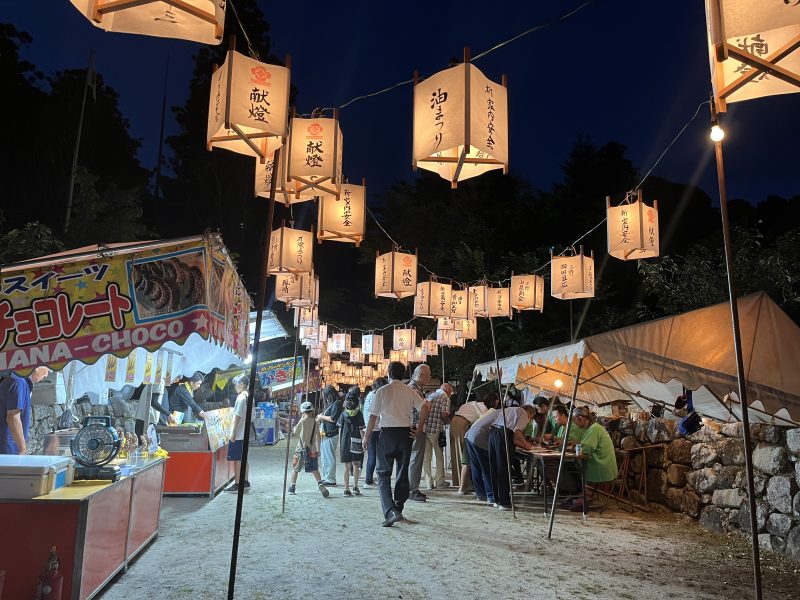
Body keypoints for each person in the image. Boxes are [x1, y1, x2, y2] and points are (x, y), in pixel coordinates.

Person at [363, 361, 424, 527]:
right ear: (403, 375)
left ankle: (390, 511)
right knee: (402, 472)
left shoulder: (382, 391)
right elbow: (425, 407)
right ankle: (398, 507)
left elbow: (373, 417)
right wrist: (419, 428)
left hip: (387, 434)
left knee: (383, 474)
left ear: (389, 373)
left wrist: (366, 437)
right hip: (405, 434)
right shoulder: (410, 391)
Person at [488, 405, 536, 510]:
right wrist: (525, 444)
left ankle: (497, 500)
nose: (529, 419)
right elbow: (517, 431)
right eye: (530, 417)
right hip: (503, 435)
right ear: (529, 412)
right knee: (504, 469)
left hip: (493, 433)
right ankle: (504, 503)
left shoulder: (510, 409)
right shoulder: (523, 412)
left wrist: (524, 444)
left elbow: (513, 437)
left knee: (495, 468)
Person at [570, 406, 618, 510]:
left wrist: (572, 448)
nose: (574, 423)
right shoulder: (593, 428)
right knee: (574, 465)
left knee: (572, 467)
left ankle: (580, 495)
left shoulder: (594, 429)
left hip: (602, 466)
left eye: (575, 420)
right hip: (604, 463)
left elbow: (586, 449)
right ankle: (580, 495)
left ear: (581, 418)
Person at [0, 367, 50, 455]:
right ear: (37, 367)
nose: (47, 374)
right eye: (47, 369)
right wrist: (22, 449)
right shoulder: (18, 382)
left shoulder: (21, 382)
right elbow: (12, 418)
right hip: (8, 447)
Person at [450, 392, 493, 494]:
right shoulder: (484, 408)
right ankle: (466, 485)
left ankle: (460, 484)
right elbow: (484, 422)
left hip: (454, 421)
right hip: (463, 423)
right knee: (465, 457)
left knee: (457, 453)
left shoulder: (471, 404)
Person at [288, 401, 329, 498]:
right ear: (312, 411)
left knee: (296, 469)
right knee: (315, 469)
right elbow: (318, 436)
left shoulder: (302, 421)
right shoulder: (315, 423)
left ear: (302, 412)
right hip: (312, 450)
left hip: (301, 449)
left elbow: (295, 432)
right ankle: (320, 484)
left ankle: (292, 487)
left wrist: (293, 426)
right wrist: (318, 449)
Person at [464, 403, 500, 505]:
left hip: (469, 436)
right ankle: (491, 496)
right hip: (478, 438)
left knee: (476, 467)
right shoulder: (501, 415)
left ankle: (480, 494)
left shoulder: (491, 412)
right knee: (487, 468)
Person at [407, 364, 432, 502]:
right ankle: (412, 490)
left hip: (414, 427)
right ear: (421, 376)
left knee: (414, 458)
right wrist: (420, 426)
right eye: (428, 376)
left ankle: (412, 488)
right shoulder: (413, 389)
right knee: (415, 458)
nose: (429, 379)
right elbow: (418, 410)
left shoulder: (414, 389)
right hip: (416, 428)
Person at [423, 382, 452, 489]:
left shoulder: (430, 396)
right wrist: (445, 420)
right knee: (439, 455)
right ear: (447, 390)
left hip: (425, 429)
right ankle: (439, 481)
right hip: (436, 429)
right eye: (451, 392)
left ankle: (428, 483)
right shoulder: (445, 398)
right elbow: (444, 414)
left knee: (427, 458)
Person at [338, 386, 366, 496]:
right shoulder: (359, 414)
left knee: (347, 466)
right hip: (356, 442)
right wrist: (363, 441)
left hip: (345, 442)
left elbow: (340, 429)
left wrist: (340, 443)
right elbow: (361, 430)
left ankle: (346, 489)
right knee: (356, 465)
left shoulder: (343, 414)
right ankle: (355, 486)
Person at [225, 375, 251, 492]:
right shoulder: (249, 396)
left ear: (242, 384)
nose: (235, 387)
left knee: (237, 459)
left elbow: (238, 415)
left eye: (236, 384)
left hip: (239, 433)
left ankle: (237, 484)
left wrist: (233, 431)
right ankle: (245, 482)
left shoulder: (241, 397)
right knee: (244, 458)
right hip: (245, 432)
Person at [362, 377, 387, 486]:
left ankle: (369, 479)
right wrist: (366, 436)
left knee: (373, 455)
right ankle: (368, 480)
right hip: (374, 429)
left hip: (370, 428)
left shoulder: (369, 395)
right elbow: (374, 417)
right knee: (373, 455)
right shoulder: (377, 396)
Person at [316, 385, 343, 486]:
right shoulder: (331, 404)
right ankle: (327, 477)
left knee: (329, 456)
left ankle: (331, 479)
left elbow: (333, 419)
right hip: (325, 433)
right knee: (325, 457)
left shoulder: (336, 404)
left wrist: (321, 417)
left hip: (331, 433)